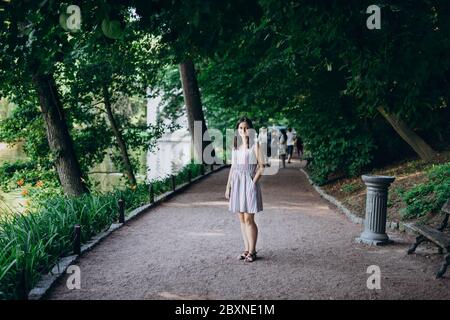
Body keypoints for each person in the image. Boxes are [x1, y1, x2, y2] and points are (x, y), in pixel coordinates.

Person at [225, 116, 264, 263]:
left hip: (249, 182)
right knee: (241, 218)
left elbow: (262, 166)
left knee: (249, 218)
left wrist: (253, 183)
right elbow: (233, 168)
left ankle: (253, 251)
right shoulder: (236, 148)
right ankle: (246, 249)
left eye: (246, 128)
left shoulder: (255, 146)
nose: (243, 130)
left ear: (250, 129)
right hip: (237, 183)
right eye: (241, 128)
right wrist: (228, 187)